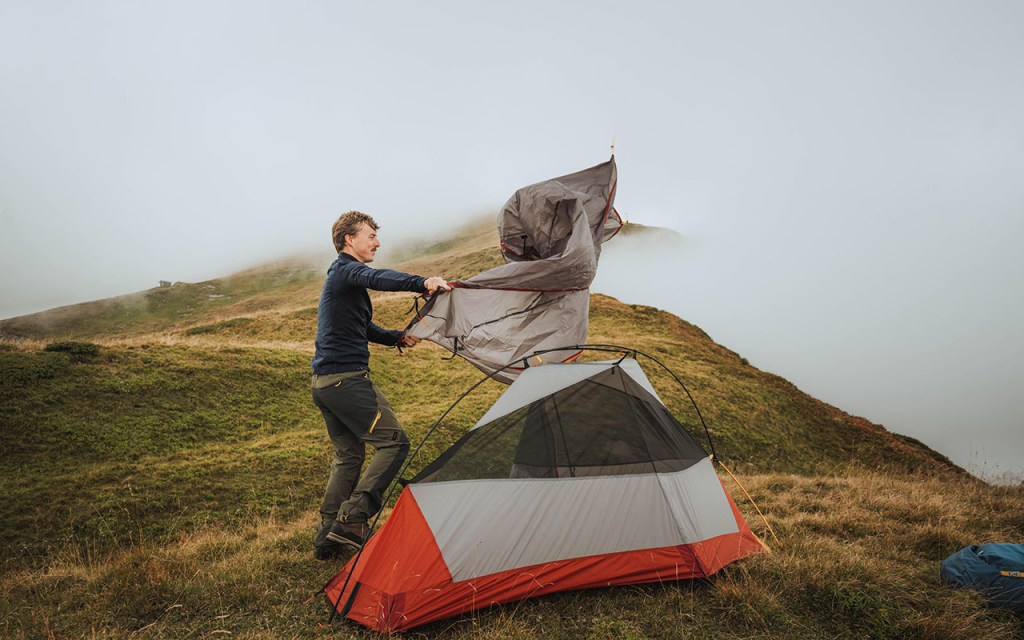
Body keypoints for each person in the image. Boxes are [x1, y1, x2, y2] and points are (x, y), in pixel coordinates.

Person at [311, 210, 450, 560]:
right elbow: (378, 278)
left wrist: (396, 339)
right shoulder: (346, 270)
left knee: (348, 457)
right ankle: (352, 520)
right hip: (346, 380)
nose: (377, 241)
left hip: (325, 384)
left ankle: (327, 536)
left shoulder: (342, 280)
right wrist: (422, 283)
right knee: (394, 443)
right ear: (349, 240)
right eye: (370, 235)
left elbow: (363, 326)